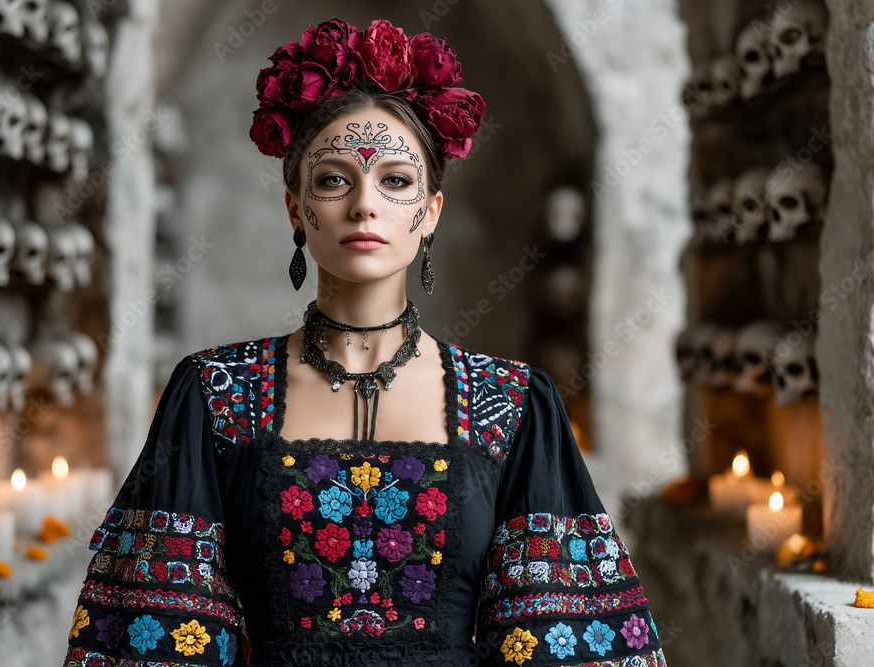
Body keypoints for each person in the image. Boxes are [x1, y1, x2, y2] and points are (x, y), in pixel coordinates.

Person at [62, 17, 667, 667]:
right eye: (333, 179)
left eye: (396, 181)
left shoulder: (514, 405)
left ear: (429, 212)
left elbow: (557, 644)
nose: (364, 205)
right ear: (295, 208)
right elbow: (159, 637)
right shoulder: (215, 394)